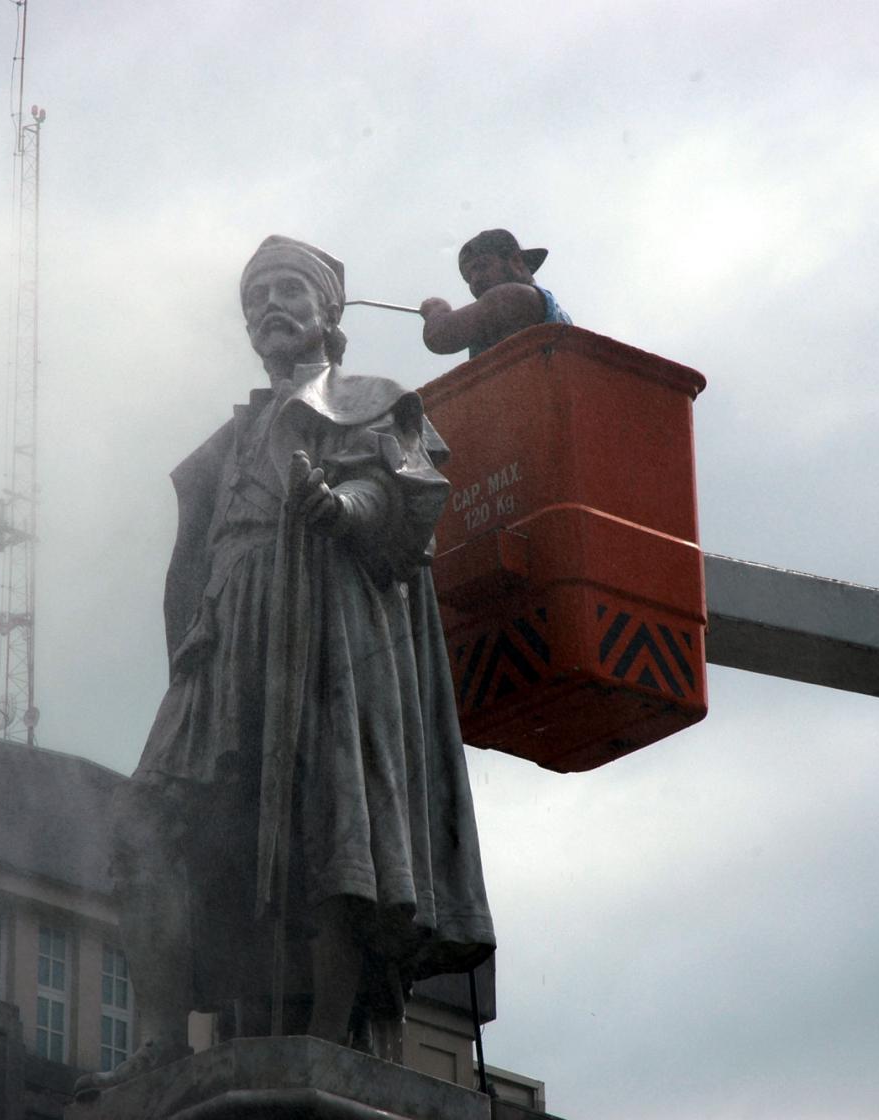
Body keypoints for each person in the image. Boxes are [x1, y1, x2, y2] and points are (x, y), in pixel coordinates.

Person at [79, 236, 494, 1093]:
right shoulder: (229, 440)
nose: (268, 305)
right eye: (255, 295)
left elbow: (403, 491)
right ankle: (162, 1041)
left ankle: (326, 1034)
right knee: (145, 820)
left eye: (287, 290)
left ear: (327, 311)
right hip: (226, 639)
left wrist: (342, 505)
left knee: (331, 817)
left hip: (326, 625)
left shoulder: (372, 401)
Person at [419, 228, 573, 358]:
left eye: (482, 266)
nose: (475, 280)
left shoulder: (516, 297)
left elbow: (439, 336)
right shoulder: (551, 310)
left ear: (516, 262)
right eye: (468, 278)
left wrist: (436, 310)